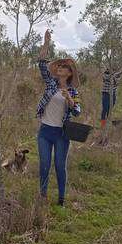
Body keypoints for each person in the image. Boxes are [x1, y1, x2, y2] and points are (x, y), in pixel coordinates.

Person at [36, 29, 82, 206]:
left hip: (62, 134)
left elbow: (77, 111)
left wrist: (69, 99)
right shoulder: (50, 84)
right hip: (45, 131)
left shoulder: (73, 91)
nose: (61, 68)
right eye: (60, 67)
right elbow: (41, 64)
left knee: (60, 166)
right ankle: (42, 196)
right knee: (44, 165)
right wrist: (46, 44)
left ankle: (61, 199)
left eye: (64, 67)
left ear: (69, 73)